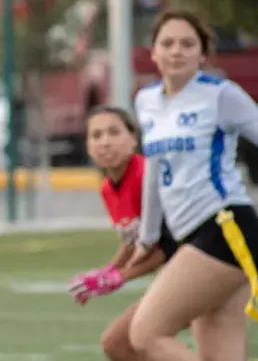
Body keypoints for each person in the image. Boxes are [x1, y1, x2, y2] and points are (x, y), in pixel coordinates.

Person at [128, 10, 257, 361]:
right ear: (153, 52)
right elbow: (154, 172)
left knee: (145, 333)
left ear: (202, 54)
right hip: (191, 234)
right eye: (167, 43)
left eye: (188, 44)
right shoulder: (146, 100)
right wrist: (147, 238)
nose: (176, 51)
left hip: (225, 227)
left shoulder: (220, 94)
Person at [68, 105, 178, 361]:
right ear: (87, 146)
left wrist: (120, 277)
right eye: (96, 136)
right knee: (117, 344)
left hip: (203, 265)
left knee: (135, 338)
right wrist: (106, 271)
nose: (105, 142)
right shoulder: (107, 188)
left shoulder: (145, 175)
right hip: (176, 273)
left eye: (114, 132)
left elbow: (168, 246)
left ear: (133, 139)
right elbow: (134, 241)